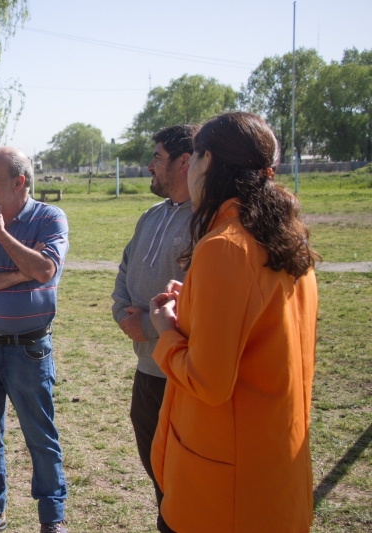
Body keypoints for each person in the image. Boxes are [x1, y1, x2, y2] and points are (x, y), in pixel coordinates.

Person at [148, 112, 319, 532]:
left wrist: (166, 329)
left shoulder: (224, 247)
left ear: (206, 162)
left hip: (224, 497)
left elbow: (209, 380)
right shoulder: (285, 238)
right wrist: (191, 299)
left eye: (194, 160)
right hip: (276, 478)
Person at [0, 147, 69, 533]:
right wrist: (19, 274)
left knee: (41, 436)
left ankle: (52, 519)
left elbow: (43, 268)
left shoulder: (50, 218)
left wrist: (0, 234)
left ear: (19, 182)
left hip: (29, 349)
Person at [111, 124, 197, 533]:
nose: (149, 165)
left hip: (182, 377)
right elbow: (125, 270)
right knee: (157, 471)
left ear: (185, 161)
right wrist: (123, 315)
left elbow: (198, 297)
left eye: (158, 157)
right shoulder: (151, 215)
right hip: (147, 373)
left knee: (185, 483)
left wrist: (145, 324)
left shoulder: (206, 220)